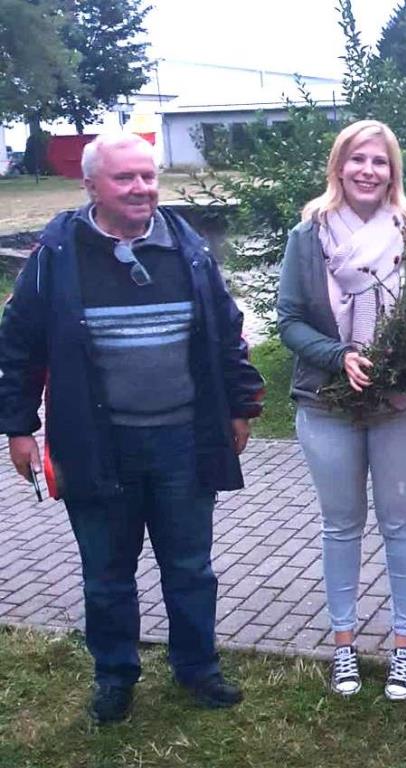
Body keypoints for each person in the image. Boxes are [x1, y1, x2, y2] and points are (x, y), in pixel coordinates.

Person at [0, 133, 265, 722]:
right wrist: (18, 427)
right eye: (125, 178)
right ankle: (115, 677)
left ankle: (197, 668)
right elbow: (19, 344)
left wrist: (241, 405)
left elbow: (226, 331)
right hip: (96, 445)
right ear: (91, 186)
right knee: (107, 575)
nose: (142, 188)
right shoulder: (57, 256)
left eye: (148, 176)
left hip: (183, 442)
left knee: (190, 569)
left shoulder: (188, 248)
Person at [277, 120, 406, 701]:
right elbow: (289, 319)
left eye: (380, 161)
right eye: (358, 159)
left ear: (393, 173)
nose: (369, 170)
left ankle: (404, 646)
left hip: (402, 405)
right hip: (326, 402)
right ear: (338, 167)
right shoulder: (308, 236)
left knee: (402, 524)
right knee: (341, 525)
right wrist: (338, 355)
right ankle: (343, 644)